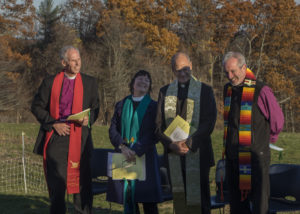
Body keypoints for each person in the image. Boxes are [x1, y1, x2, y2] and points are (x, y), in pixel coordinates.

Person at [31, 46, 99, 214]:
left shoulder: (90, 82)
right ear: (64, 62)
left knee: (82, 185)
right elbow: (37, 107)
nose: (78, 63)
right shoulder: (50, 82)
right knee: (58, 187)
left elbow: (96, 107)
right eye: (73, 60)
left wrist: (88, 119)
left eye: (79, 59)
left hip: (81, 137)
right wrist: (53, 123)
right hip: (58, 136)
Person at [222, 51, 284, 214]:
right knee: (237, 206)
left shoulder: (261, 90)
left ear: (244, 68)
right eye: (226, 72)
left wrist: (266, 141)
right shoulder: (228, 90)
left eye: (233, 71)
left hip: (256, 157)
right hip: (233, 158)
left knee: (259, 206)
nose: (230, 76)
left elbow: (277, 120)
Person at [155, 52, 217, 214]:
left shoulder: (205, 91)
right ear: (172, 71)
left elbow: (209, 122)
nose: (182, 73)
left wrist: (189, 143)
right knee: (180, 203)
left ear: (191, 66)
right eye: (178, 70)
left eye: (185, 69)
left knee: (201, 204)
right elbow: (158, 126)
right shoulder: (164, 91)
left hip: (198, 154)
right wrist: (170, 144)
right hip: (173, 155)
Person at [107, 70, 163, 214]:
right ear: (133, 83)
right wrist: (123, 146)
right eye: (140, 78)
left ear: (150, 86)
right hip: (124, 155)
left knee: (148, 202)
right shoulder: (121, 104)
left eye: (147, 80)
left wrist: (136, 149)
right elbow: (113, 130)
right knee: (129, 199)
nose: (143, 82)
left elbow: (155, 133)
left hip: (145, 157)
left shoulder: (154, 106)